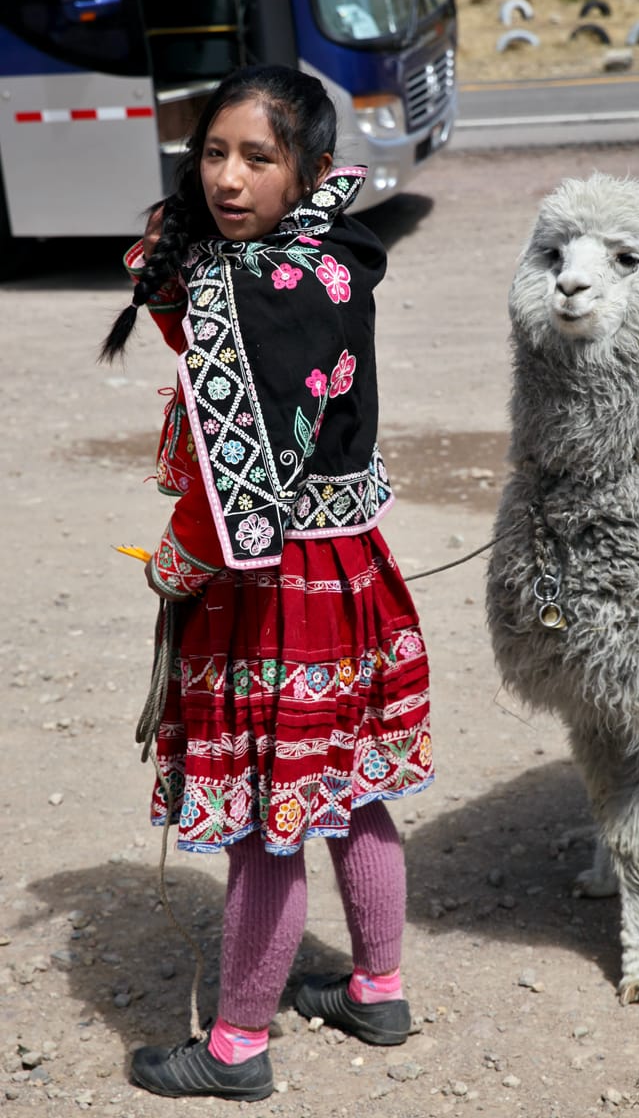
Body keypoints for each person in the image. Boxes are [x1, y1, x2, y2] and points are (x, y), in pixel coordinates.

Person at [101, 64, 433, 1103]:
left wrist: (176, 566)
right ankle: (376, 987)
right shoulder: (327, 254)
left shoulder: (249, 288)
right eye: (212, 153)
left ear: (309, 169)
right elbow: (212, 350)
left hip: (272, 585)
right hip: (351, 567)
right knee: (358, 787)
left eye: (257, 157)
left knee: (264, 813)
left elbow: (223, 481)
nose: (226, 179)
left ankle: (237, 1044)